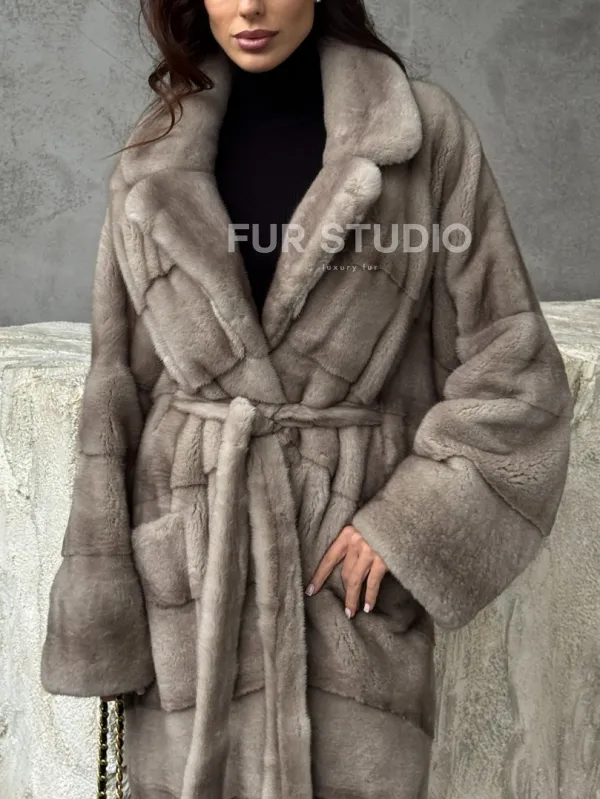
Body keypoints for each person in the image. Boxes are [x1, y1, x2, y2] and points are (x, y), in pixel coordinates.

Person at [40, 0, 574, 797]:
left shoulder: (417, 137)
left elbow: (514, 366)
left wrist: (410, 526)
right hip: (190, 588)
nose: (249, 7)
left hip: (342, 593)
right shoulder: (154, 155)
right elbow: (116, 393)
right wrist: (105, 607)